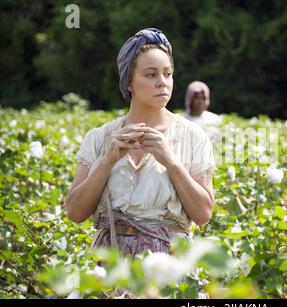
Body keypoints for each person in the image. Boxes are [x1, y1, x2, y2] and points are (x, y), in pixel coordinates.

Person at [64, 28, 216, 258]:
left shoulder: (193, 137)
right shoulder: (99, 137)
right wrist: (108, 160)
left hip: (168, 265)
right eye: (151, 74)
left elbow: (203, 214)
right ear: (129, 83)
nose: (162, 83)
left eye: (168, 73)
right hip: (109, 264)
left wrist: (170, 160)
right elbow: (75, 212)